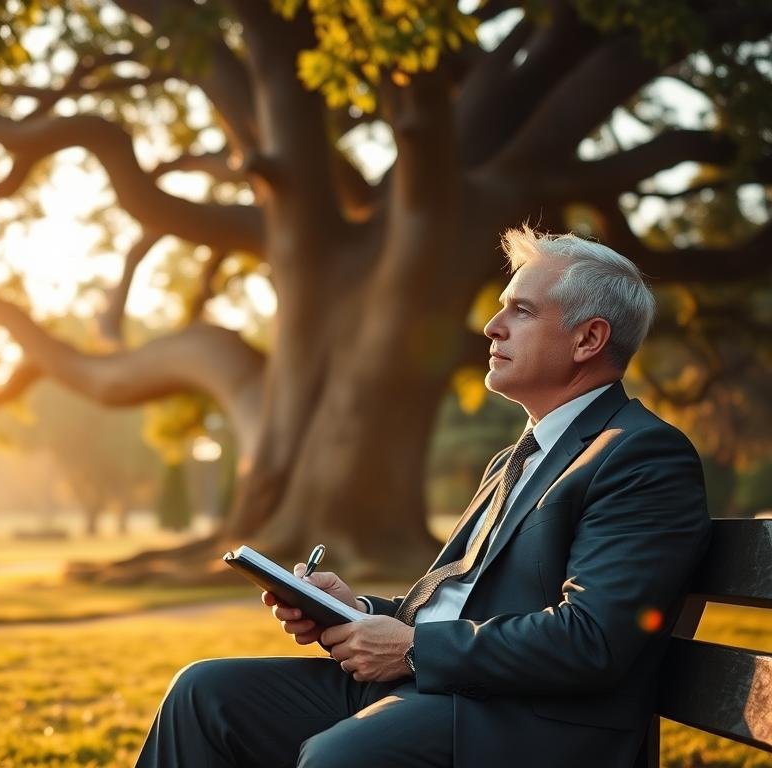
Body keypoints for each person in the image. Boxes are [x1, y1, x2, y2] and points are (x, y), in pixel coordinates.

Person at [134, 227, 711, 768]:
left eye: (523, 310)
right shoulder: (522, 455)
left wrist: (413, 650)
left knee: (342, 757)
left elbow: (593, 639)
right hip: (439, 686)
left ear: (589, 339)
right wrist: (359, 614)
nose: (491, 326)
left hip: (524, 722)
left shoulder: (641, 455)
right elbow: (468, 604)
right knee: (202, 692)